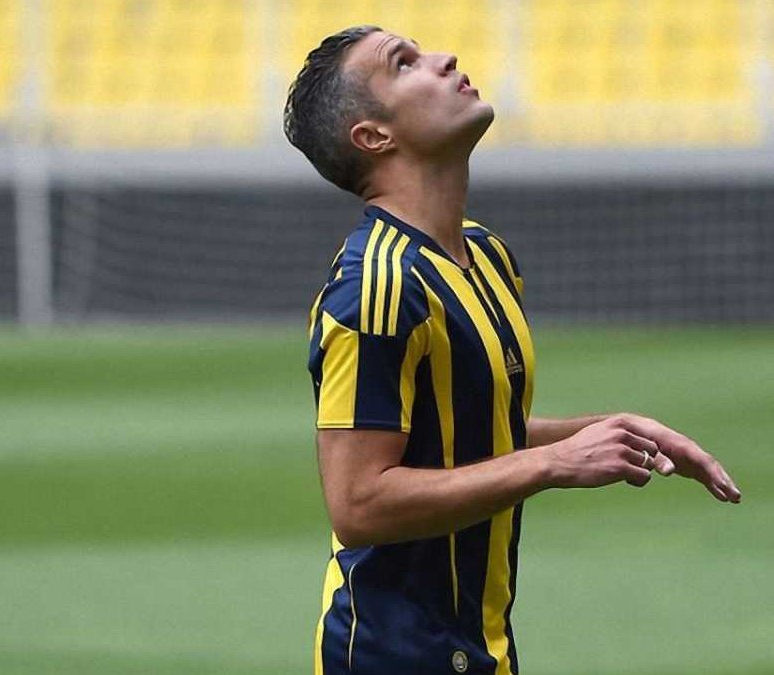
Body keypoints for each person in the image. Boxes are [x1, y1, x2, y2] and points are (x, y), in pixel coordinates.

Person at [285, 25, 743, 675]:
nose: (443, 58)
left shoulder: (486, 255)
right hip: (392, 654)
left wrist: (610, 431)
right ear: (373, 136)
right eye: (404, 63)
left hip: (483, 646)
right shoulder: (376, 287)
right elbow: (358, 503)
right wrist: (552, 462)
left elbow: (462, 435)